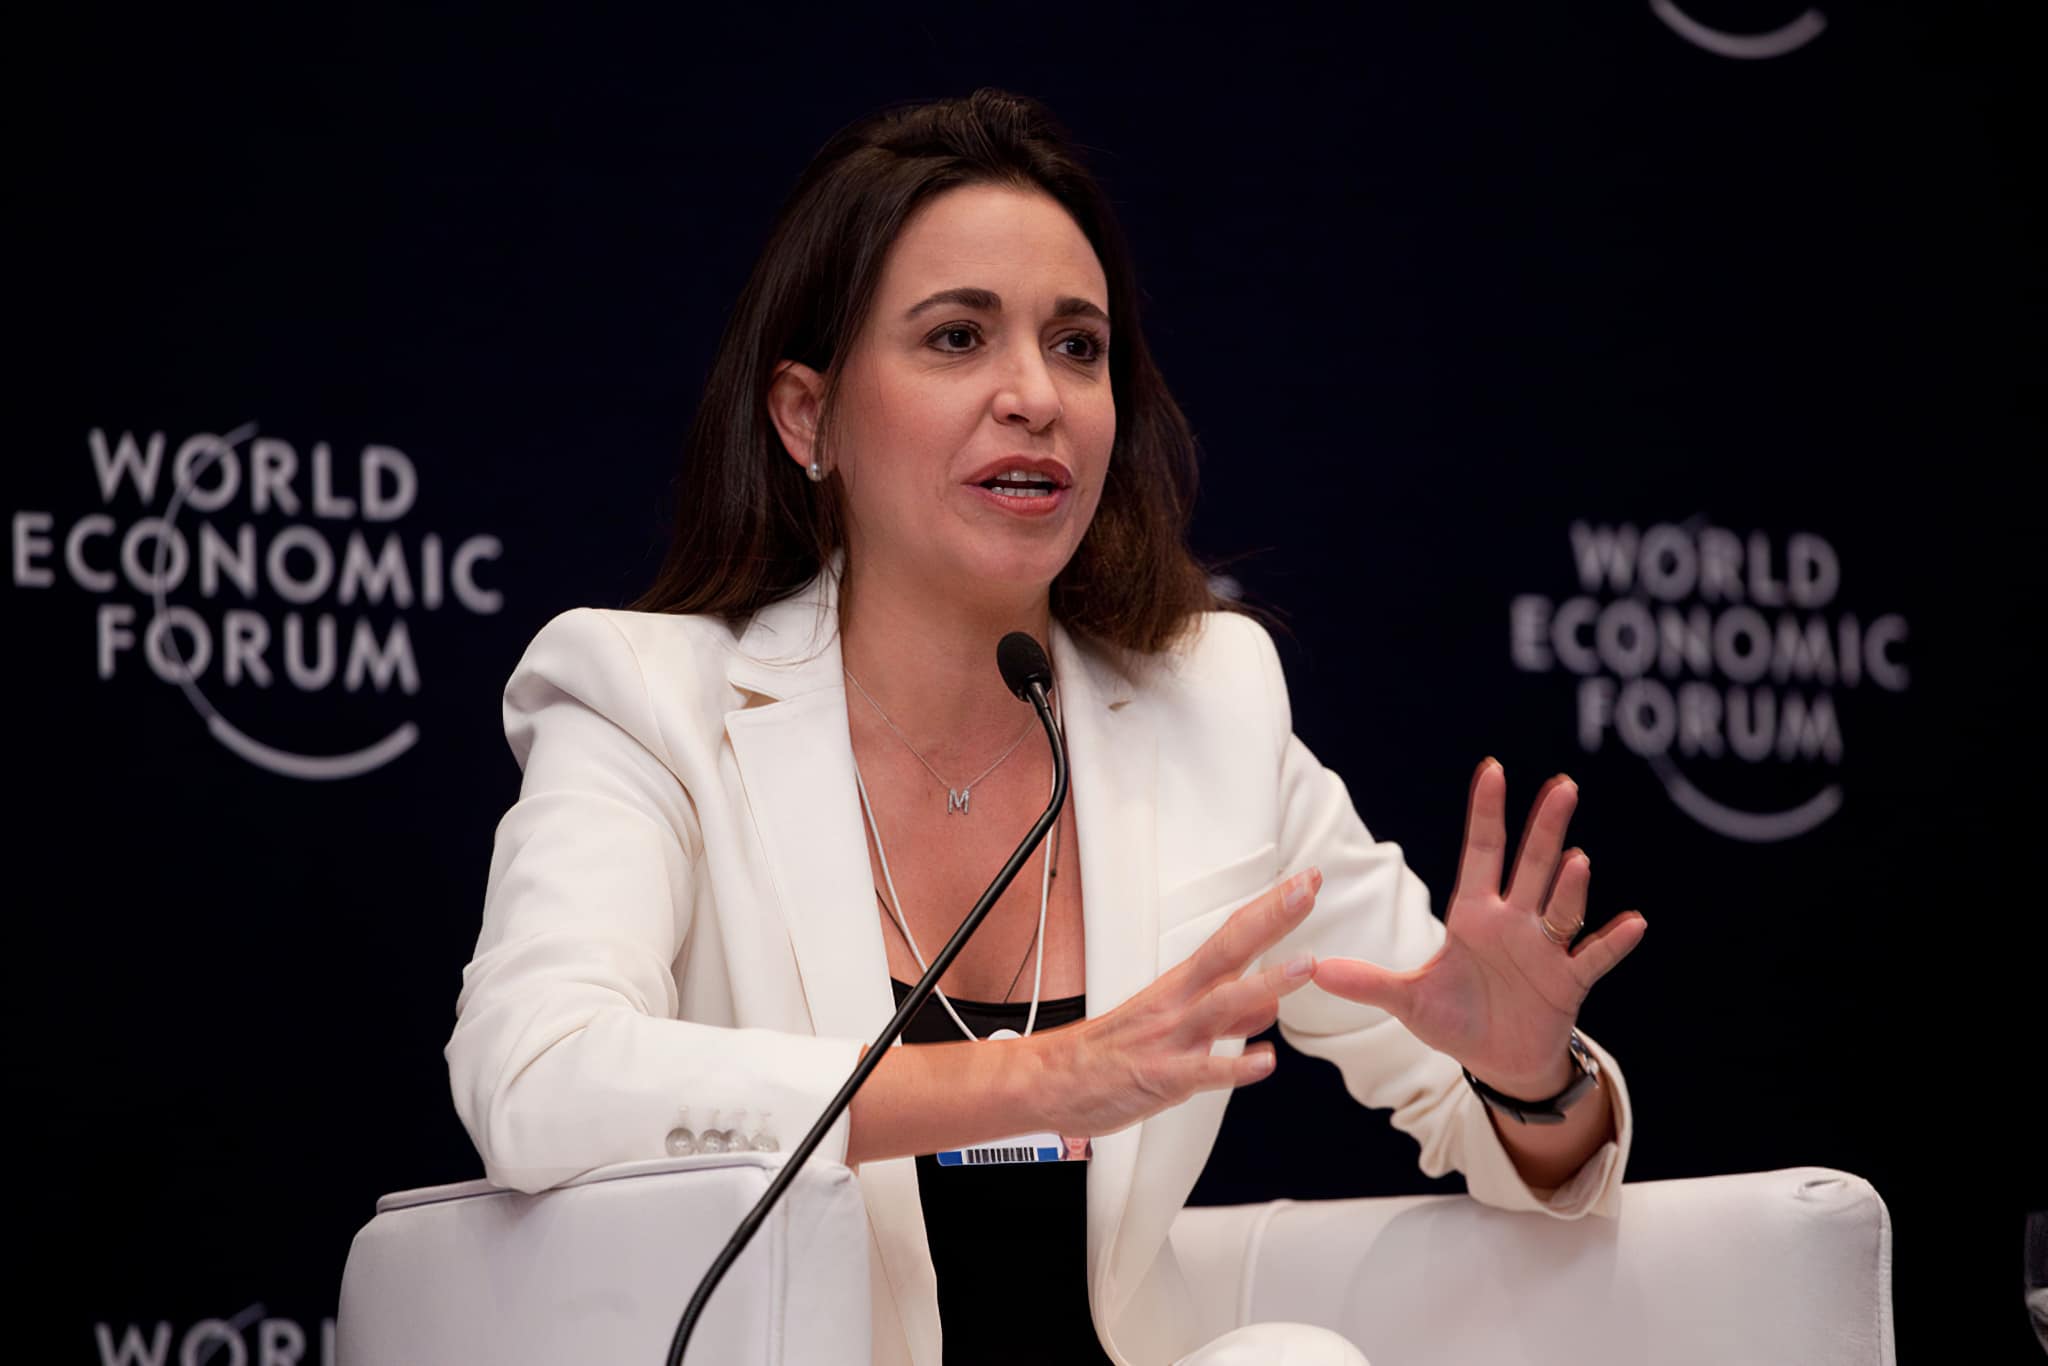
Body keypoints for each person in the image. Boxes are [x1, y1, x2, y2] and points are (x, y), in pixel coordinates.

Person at [444, 88, 1647, 1366]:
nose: (1035, 395)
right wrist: (1044, 1077)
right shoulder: (651, 700)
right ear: (807, 416)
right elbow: (536, 1077)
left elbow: (1497, 1126)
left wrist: (1533, 1079)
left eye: (1076, 346)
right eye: (957, 337)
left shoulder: (1208, 705)